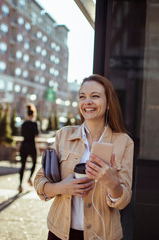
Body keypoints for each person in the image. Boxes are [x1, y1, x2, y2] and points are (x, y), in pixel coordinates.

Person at [34, 74, 134, 240]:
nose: (87, 101)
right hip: (59, 233)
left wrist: (112, 183)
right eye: (82, 97)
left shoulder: (124, 142)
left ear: (108, 103)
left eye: (95, 96)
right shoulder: (63, 135)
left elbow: (123, 201)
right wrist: (62, 187)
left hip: (102, 235)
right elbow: (39, 181)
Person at [19, 103, 39, 193]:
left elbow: (22, 134)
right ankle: (29, 178)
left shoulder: (23, 124)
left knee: (23, 166)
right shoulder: (34, 124)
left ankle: (20, 185)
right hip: (31, 145)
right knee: (34, 163)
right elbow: (37, 135)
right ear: (33, 114)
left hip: (23, 146)